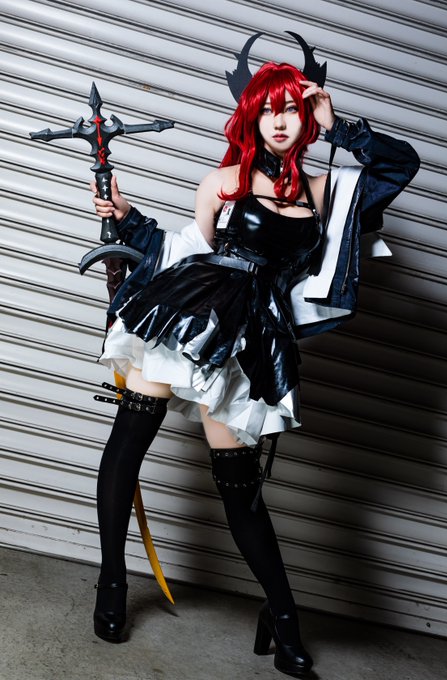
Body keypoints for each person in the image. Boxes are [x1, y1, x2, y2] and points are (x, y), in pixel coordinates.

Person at [89, 51, 419, 678]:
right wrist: (129, 222)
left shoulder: (326, 192)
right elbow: (189, 248)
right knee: (129, 442)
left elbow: (399, 165)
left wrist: (338, 124)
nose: (280, 121)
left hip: (252, 338)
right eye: (269, 110)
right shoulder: (224, 180)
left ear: (306, 117)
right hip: (186, 314)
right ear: (251, 118)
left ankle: (282, 617)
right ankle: (112, 581)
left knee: (240, 490)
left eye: (291, 109)